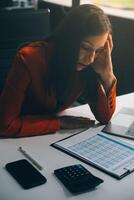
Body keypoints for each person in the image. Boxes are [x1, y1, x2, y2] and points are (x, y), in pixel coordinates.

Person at [0, 4, 116, 138]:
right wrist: (58, 123)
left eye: (98, 50)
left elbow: (104, 118)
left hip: (44, 138)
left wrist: (107, 74)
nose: (90, 58)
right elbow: (5, 125)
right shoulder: (29, 59)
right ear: (69, 39)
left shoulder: (89, 64)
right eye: (85, 47)